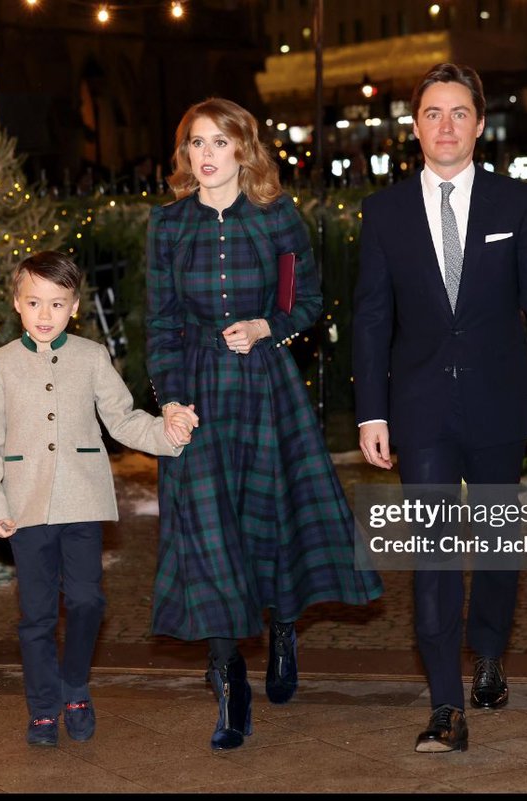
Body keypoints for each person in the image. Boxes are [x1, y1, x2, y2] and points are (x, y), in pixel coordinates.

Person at [145, 97, 383, 751]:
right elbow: (160, 323)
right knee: (207, 532)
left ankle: (282, 629)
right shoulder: (168, 226)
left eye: (219, 141)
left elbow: (307, 301)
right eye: (195, 143)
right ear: (185, 154)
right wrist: (168, 400)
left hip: (263, 389)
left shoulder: (278, 217)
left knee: (268, 522)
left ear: (244, 149)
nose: (206, 155)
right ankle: (230, 682)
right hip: (196, 393)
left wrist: (267, 327)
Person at [353, 63, 527, 753]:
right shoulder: (384, 212)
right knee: (437, 553)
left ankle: (491, 649)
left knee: (499, 543)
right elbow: (370, 319)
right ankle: (446, 703)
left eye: (459, 113)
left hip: (503, 400)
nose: (446, 126)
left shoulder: (515, 204)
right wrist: (371, 411)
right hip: (420, 409)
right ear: (415, 125)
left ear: (479, 123)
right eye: (433, 113)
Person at [0, 251, 198, 748]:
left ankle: (76, 685)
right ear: (17, 304)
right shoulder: (1, 365)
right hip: (25, 506)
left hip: (82, 501)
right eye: (34, 303)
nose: (44, 315)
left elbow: (121, 418)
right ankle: (44, 707)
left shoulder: (92, 357)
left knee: (88, 600)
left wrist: (169, 433)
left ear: (74, 307)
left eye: (56, 304)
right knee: (36, 616)